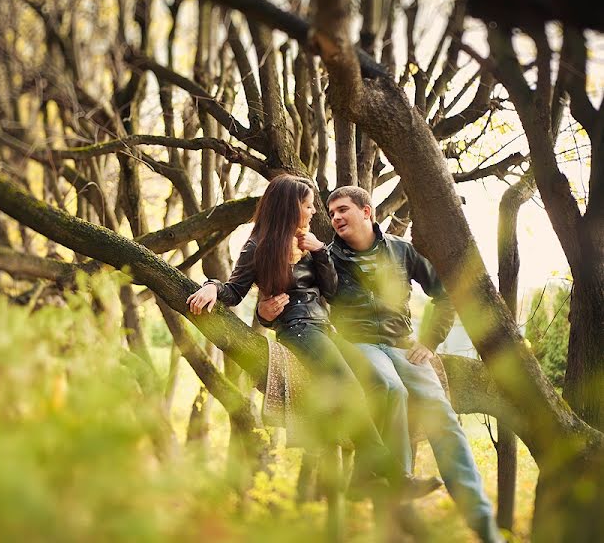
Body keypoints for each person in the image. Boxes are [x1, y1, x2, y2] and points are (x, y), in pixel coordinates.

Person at [187, 175, 441, 499]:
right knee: (348, 385)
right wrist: (210, 285)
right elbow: (234, 290)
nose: (311, 212)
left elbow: (331, 290)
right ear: (290, 207)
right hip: (298, 330)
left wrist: (320, 253)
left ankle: (362, 476)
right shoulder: (258, 246)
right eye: (306, 206)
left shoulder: (308, 243)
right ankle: (395, 474)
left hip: (325, 328)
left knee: (378, 383)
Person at [301, 185, 500, 543]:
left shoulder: (402, 251)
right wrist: (269, 312)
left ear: (367, 212)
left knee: (444, 417)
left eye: (343, 209)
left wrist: (430, 340)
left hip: (403, 343)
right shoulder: (326, 257)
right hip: (357, 344)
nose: (336, 218)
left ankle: (483, 524)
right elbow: (296, 292)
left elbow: (446, 294)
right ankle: (400, 482)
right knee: (389, 387)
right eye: (332, 214)